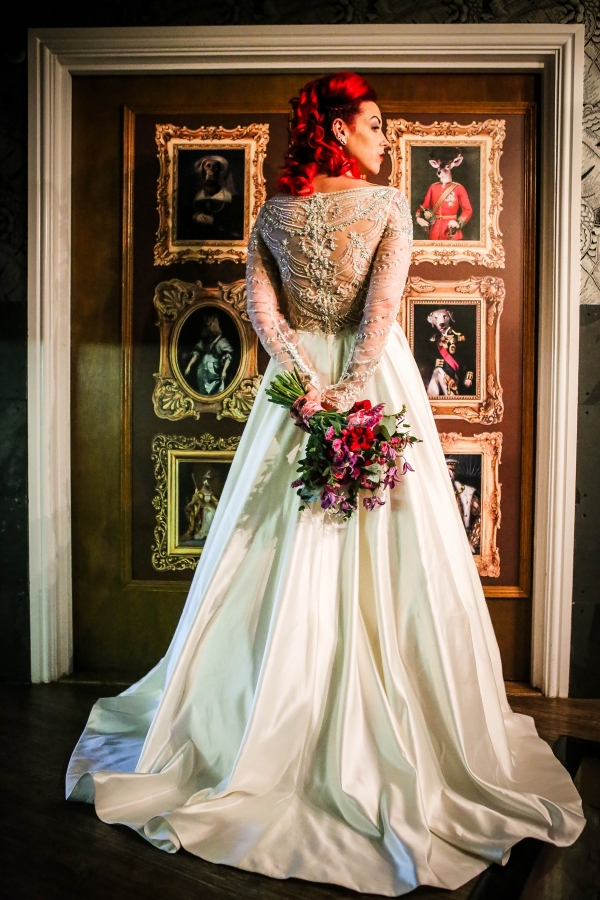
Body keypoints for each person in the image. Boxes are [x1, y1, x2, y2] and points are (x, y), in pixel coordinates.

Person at [67, 72, 584, 897]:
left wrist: (307, 387)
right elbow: (380, 316)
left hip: (295, 391)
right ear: (339, 130)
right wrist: (348, 394)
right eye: (373, 123)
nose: (384, 137)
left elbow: (264, 314)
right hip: (372, 382)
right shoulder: (386, 207)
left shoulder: (272, 213)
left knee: (272, 539)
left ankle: (266, 720)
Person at [416, 148, 473, 241]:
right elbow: (423, 207)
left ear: (454, 164)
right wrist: (418, 218)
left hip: (451, 231)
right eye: (439, 166)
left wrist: (458, 223)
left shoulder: (459, 188)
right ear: (435, 165)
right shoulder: (432, 187)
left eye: (446, 166)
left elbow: (467, 210)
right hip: (434, 232)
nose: (441, 170)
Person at [425, 307, 474, 397]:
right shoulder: (433, 339)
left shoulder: (460, 337)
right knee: (437, 372)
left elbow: (469, 358)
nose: (441, 322)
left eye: (445, 317)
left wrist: (469, 376)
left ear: (450, 317)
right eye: (436, 318)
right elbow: (429, 361)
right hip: (440, 378)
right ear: (432, 320)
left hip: (457, 377)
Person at [183, 312, 233, 395]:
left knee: (216, 392)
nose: (209, 328)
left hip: (215, 371)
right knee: (202, 390)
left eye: (211, 325)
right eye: (207, 326)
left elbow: (228, 356)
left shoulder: (221, 341)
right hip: (202, 370)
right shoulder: (203, 342)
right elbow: (196, 353)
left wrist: (224, 371)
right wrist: (189, 366)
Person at [446, 457, 481, 554]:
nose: (449, 474)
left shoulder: (468, 494)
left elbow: (481, 516)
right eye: (446, 471)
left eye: (451, 470)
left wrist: (471, 542)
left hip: (462, 541)